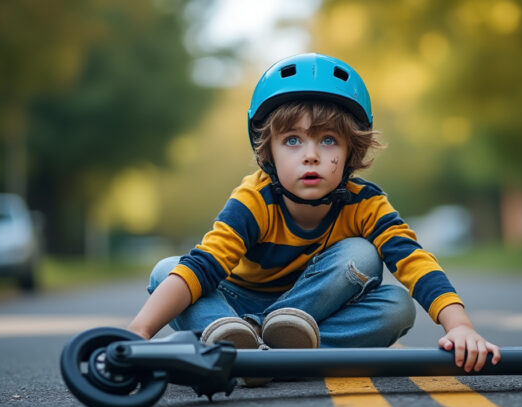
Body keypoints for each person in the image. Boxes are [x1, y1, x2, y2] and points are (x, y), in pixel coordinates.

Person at [127, 53, 500, 383]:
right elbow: (204, 265)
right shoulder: (255, 199)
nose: (311, 155)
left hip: (304, 318)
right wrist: (138, 334)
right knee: (167, 271)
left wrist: (461, 326)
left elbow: (412, 259)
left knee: (389, 294)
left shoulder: (365, 203)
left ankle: (251, 352)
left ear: (351, 150)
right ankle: (267, 349)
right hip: (233, 306)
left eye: (328, 140)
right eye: (292, 140)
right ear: (267, 152)